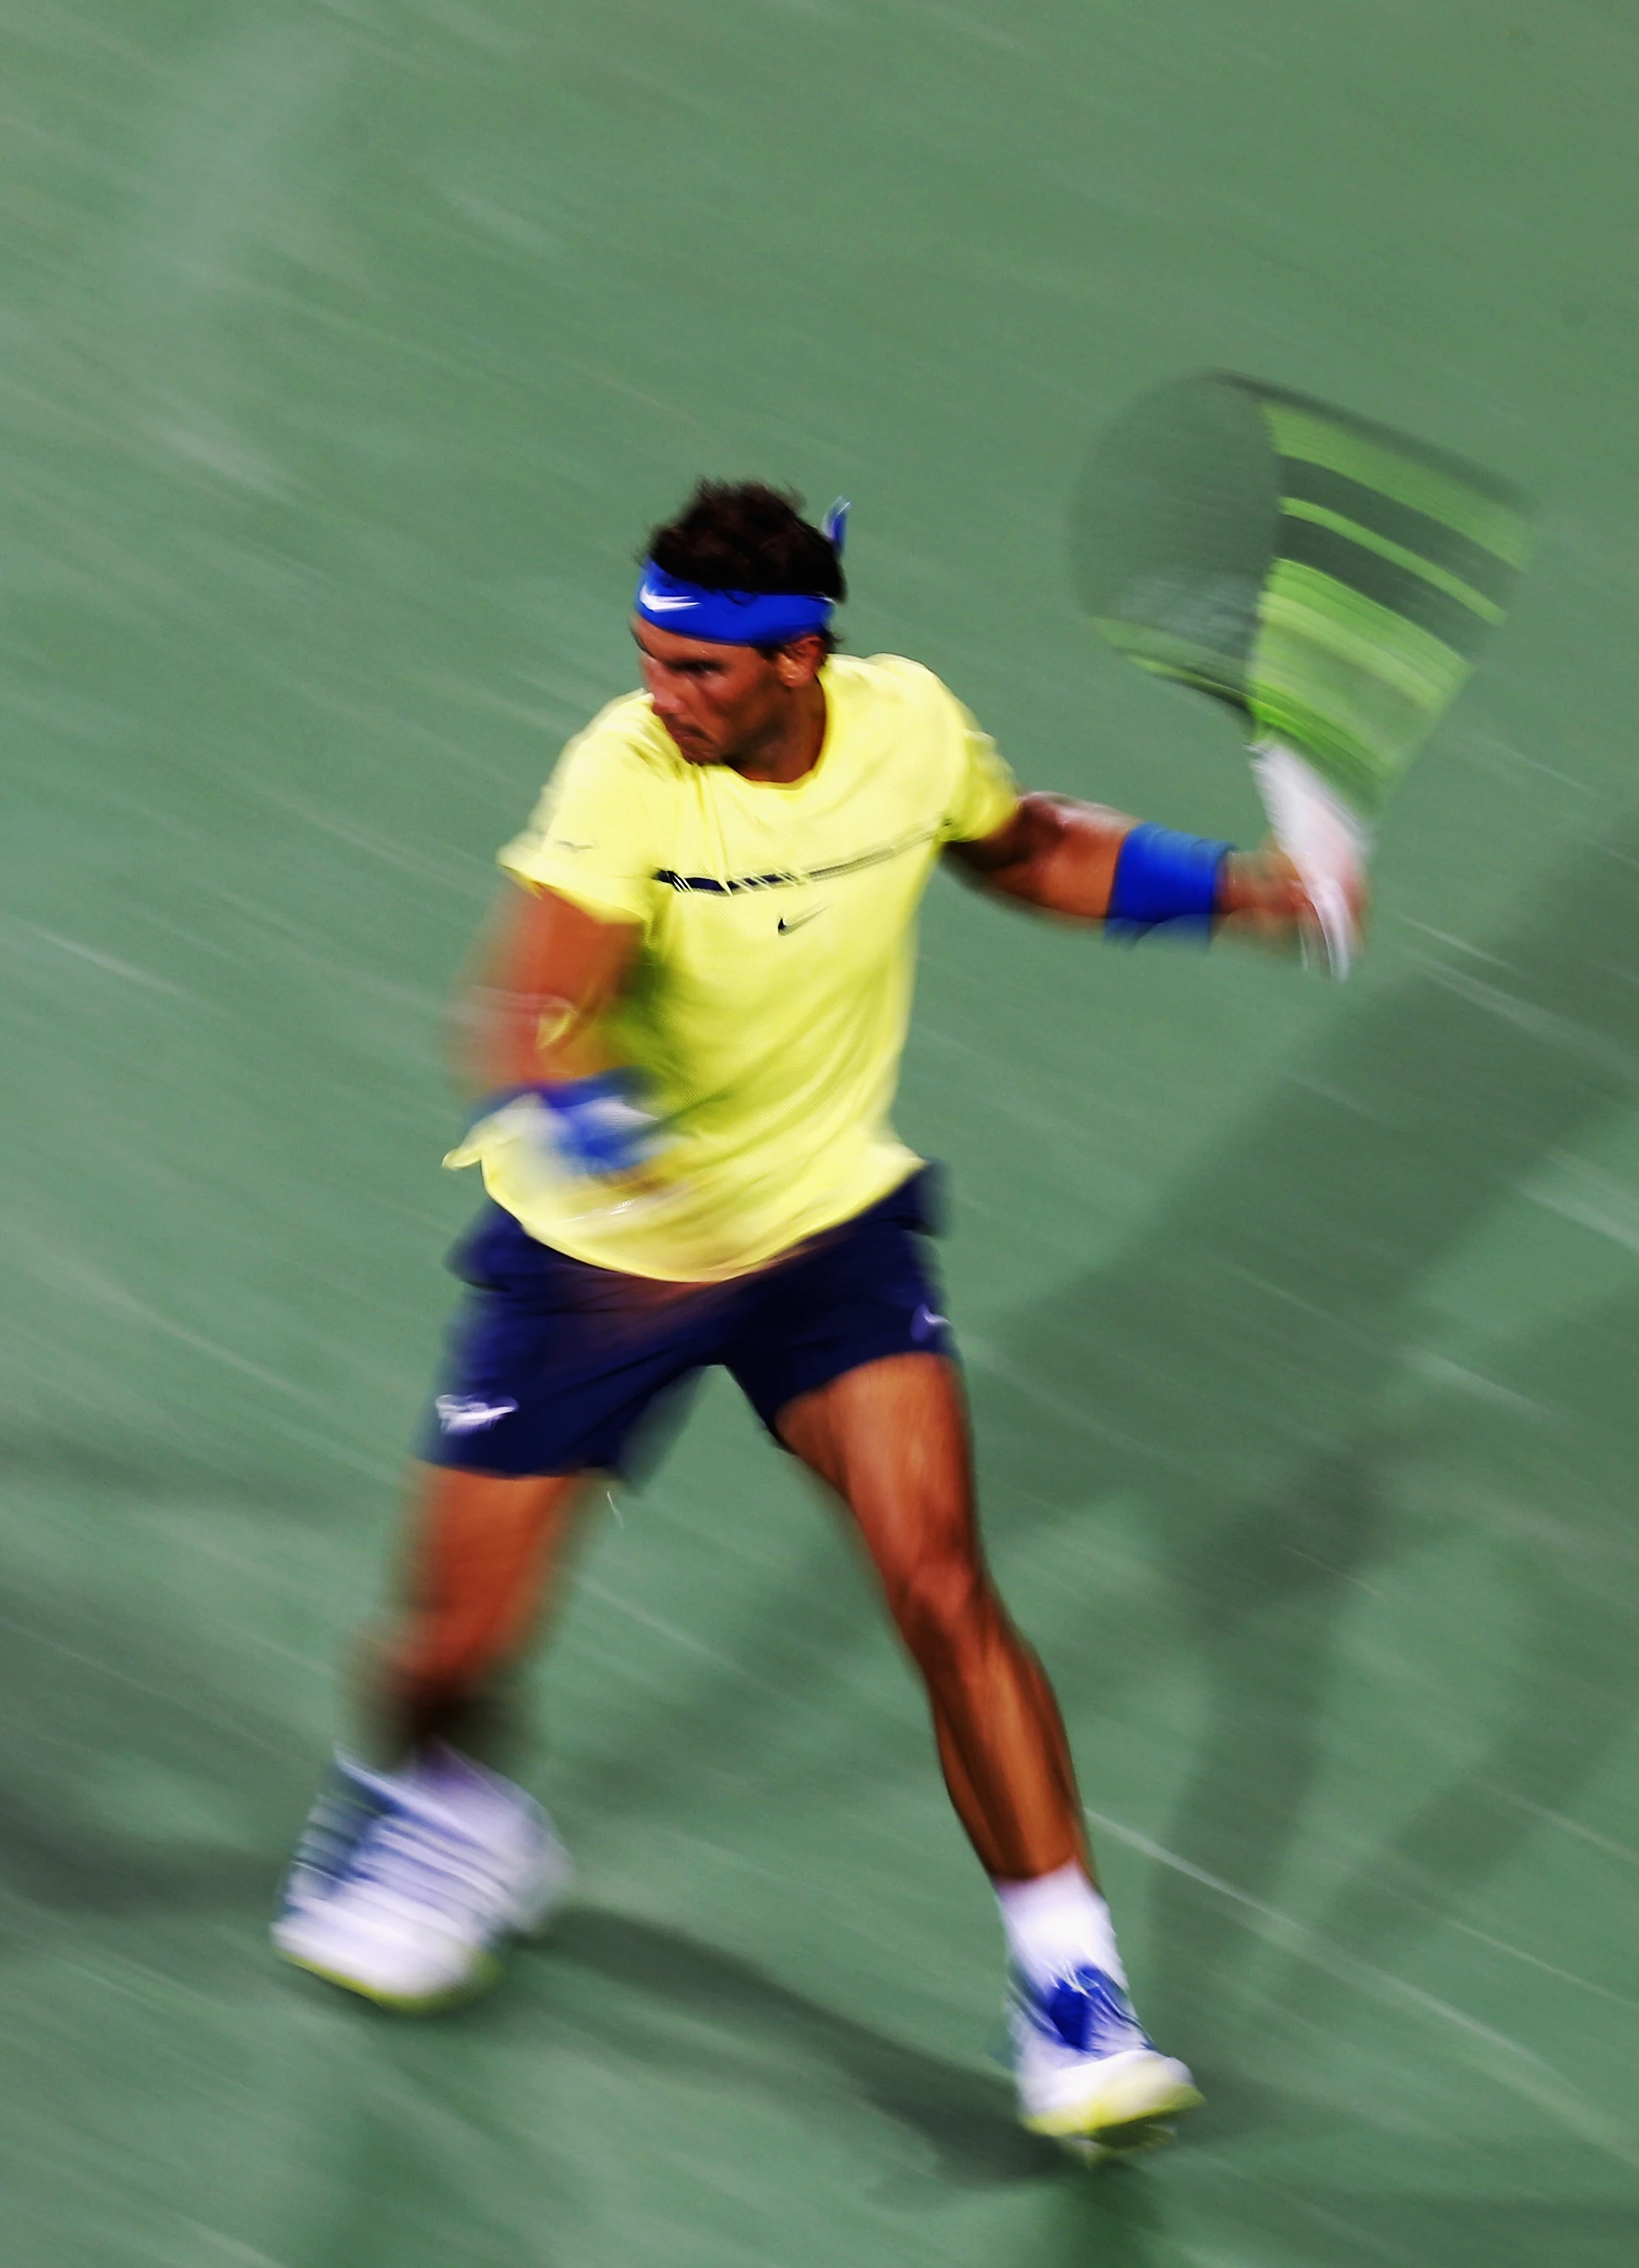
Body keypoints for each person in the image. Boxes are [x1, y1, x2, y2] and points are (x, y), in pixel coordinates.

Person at [270, 480, 1332, 2148]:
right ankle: (442, 1806)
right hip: (598, 1263)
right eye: (646, 658)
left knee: (938, 1581)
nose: (661, 693)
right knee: (446, 1650)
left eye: (698, 669)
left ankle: (1069, 1986)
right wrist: (580, 1112)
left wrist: (1242, 889)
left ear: (798, 657)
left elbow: (1021, 844)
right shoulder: (618, 771)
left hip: (825, 1237)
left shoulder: (904, 724)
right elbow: (527, 1007)